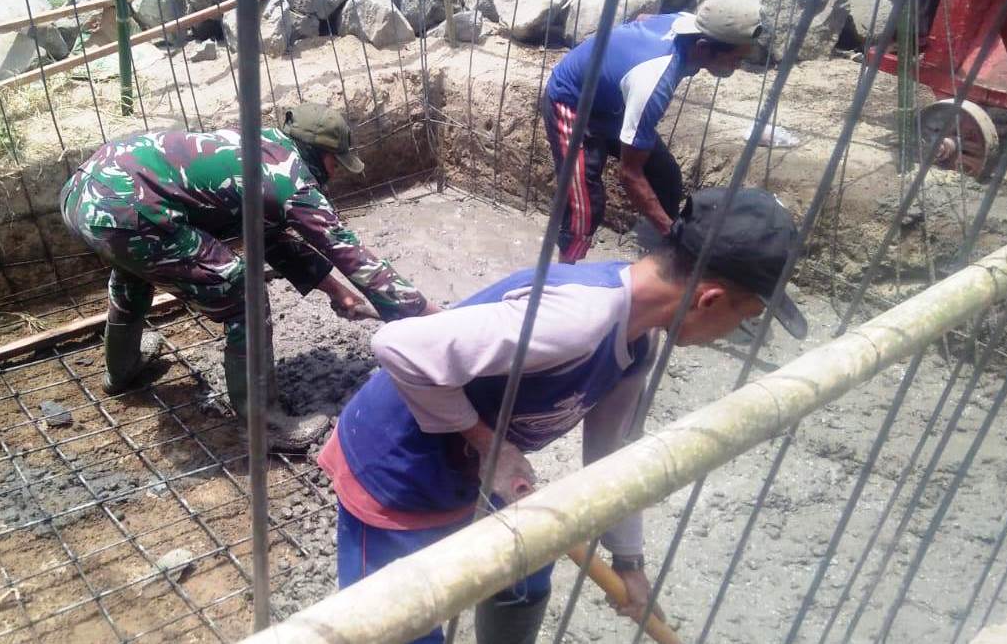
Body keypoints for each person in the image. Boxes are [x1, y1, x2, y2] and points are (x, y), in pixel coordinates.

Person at [318, 187, 808, 643]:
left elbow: (610, 457)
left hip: (472, 469)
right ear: (710, 299)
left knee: (528, 569)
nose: (736, 332)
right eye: (746, 318)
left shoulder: (637, 342)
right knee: (397, 622)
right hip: (394, 469)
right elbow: (398, 346)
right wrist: (491, 445)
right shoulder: (578, 319)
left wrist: (628, 561)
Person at [61, 103, 436, 451]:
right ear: (318, 153)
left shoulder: (264, 145)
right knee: (244, 292)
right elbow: (353, 256)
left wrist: (335, 289)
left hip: (87, 191)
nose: (336, 172)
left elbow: (268, 234)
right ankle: (266, 424)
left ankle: (123, 369)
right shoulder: (292, 180)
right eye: (336, 163)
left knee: (136, 263)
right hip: (125, 208)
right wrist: (427, 315)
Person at [543, 0, 764, 264]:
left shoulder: (686, 23)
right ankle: (563, 276)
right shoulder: (654, 80)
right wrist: (672, 233)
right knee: (584, 206)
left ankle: (661, 261)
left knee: (665, 175)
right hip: (573, 103)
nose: (738, 66)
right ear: (704, 47)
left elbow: (643, 18)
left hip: (613, 102)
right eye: (734, 59)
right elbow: (629, 174)